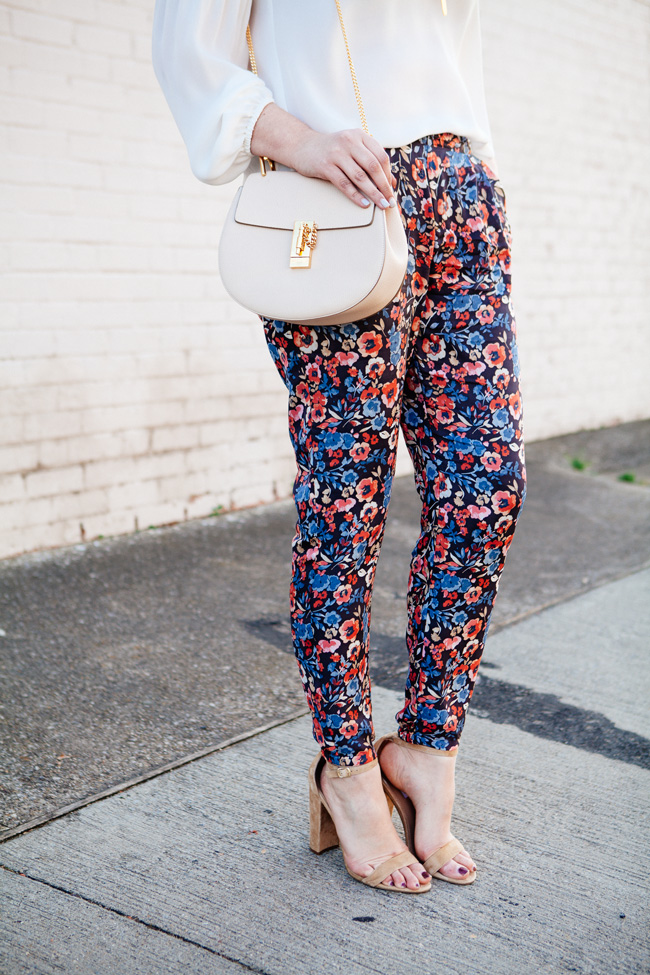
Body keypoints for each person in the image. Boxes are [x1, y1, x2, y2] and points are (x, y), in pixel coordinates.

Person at [153, 0, 526, 894]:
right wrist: (302, 140)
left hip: (459, 194)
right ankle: (349, 768)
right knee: (346, 503)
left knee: (488, 487)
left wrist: (473, 172)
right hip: (336, 191)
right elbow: (187, 49)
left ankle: (428, 749)